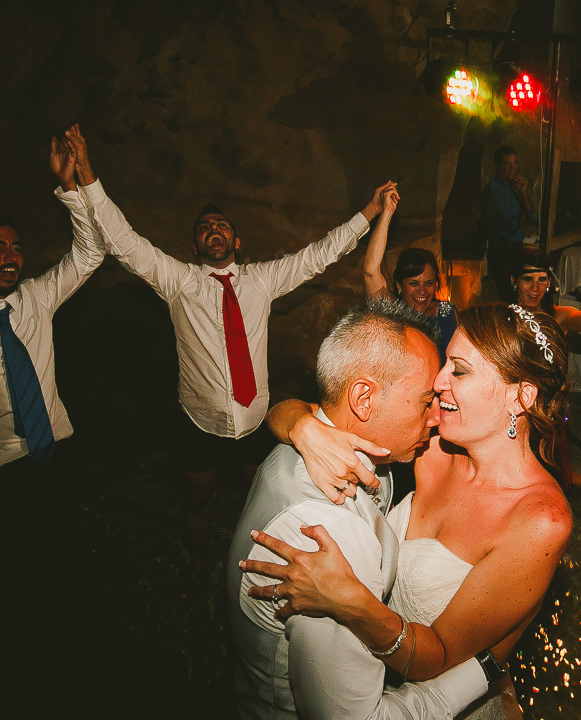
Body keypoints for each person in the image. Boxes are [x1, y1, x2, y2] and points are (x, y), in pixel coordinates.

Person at [244, 302, 572, 720]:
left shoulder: (539, 520)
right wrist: (302, 428)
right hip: (368, 691)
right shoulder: (437, 445)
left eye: (458, 370)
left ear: (520, 396)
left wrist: (352, 603)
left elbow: (435, 658)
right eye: (445, 364)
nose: (438, 382)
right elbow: (321, 405)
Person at [73, 128, 395, 587]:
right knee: (198, 503)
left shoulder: (261, 280)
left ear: (237, 241)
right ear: (196, 246)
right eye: (205, 228)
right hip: (199, 421)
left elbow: (320, 253)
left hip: (254, 418)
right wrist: (87, 174)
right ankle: (196, 565)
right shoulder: (179, 281)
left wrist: (369, 210)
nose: (214, 230)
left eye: (222, 225)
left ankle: (252, 576)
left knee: (260, 499)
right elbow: (123, 239)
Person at [0, 126, 104, 514]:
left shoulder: (35, 296)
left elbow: (91, 253)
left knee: (58, 555)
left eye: (15, 248)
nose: (11, 257)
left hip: (56, 451)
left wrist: (70, 188)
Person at [360, 183, 456, 364]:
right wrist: (387, 213)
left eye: (428, 283)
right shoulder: (393, 311)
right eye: (413, 283)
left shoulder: (449, 313)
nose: (422, 291)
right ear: (399, 285)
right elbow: (371, 271)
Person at [480, 146, 534, 302]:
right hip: (501, 251)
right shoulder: (492, 190)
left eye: (515, 163)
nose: (513, 168)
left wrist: (523, 192)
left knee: (520, 294)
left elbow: (530, 216)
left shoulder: (515, 186)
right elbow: (507, 223)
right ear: (497, 167)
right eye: (507, 164)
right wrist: (520, 218)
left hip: (517, 248)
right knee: (507, 295)